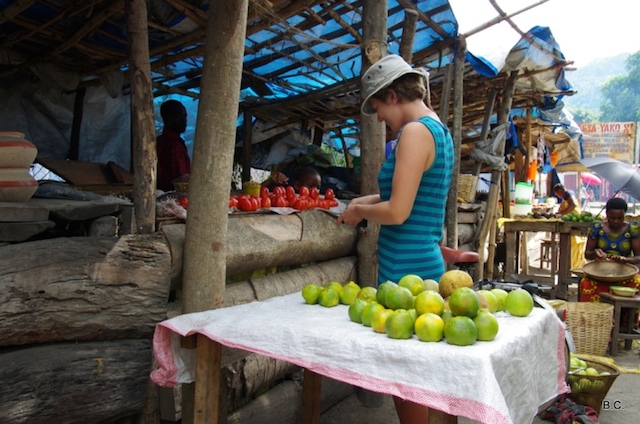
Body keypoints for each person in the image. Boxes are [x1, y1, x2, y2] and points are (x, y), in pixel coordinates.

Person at [336, 54, 453, 424]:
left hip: (408, 271)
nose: (381, 119)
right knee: (428, 384)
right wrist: (363, 201)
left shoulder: (415, 133)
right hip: (418, 266)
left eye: (378, 109)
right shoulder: (438, 130)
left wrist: (360, 213)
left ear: (391, 95)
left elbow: (399, 212)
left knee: (409, 385)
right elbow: (412, 199)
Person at [580, 197, 640, 302]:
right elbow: (587, 254)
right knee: (586, 283)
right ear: (606, 214)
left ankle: (626, 317)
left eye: (620, 218)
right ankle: (591, 316)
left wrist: (625, 260)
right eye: (612, 218)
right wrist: (595, 253)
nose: (616, 221)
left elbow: (638, 257)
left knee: (637, 283)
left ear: (625, 215)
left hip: (624, 273)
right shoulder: (597, 228)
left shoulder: (632, 229)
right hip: (599, 272)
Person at [156, 100, 191, 192]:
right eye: (178, 116)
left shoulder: (159, 141)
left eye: (185, 116)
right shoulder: (174, 146)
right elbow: (181, 180)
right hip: (174, 197)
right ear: (167, 118)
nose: (184, 120)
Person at [553, 183, 586, 270]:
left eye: (557, 194)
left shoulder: (568, 194)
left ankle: (573, 267)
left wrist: (562, 213)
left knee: (573, 247)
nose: (558, 196)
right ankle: (570, 266)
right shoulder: (566, 197)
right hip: (570, 223)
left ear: (560, 191)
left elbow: (573, 205)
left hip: (573, 224)